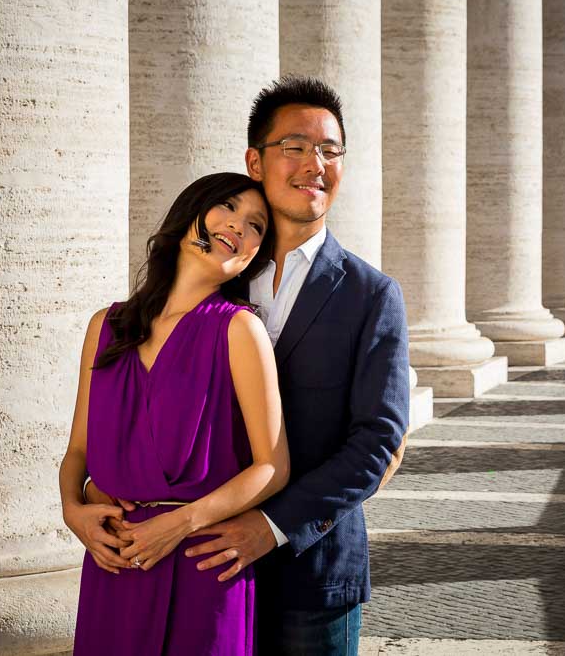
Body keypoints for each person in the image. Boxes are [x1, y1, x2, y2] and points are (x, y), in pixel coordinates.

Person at [88, 76, 410, 654]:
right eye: (295, 146)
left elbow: (379, 444)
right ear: (255, 161)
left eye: (330, 150)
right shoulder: (217, 275)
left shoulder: (371, 294)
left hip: (309, 571)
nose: (315, 163)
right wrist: (92, 493)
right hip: (197, 572)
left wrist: (270, 525)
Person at [59, 172, 289, 655]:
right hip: (114, 563)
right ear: (190, 214)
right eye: (227, 207)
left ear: (254, 254)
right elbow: (78, 451)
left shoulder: (239, 330)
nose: (239, 227)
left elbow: (272, 466)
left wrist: (179, 524)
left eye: (256, 226)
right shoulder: (106, 325)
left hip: (201, 563)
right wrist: (74, 514)